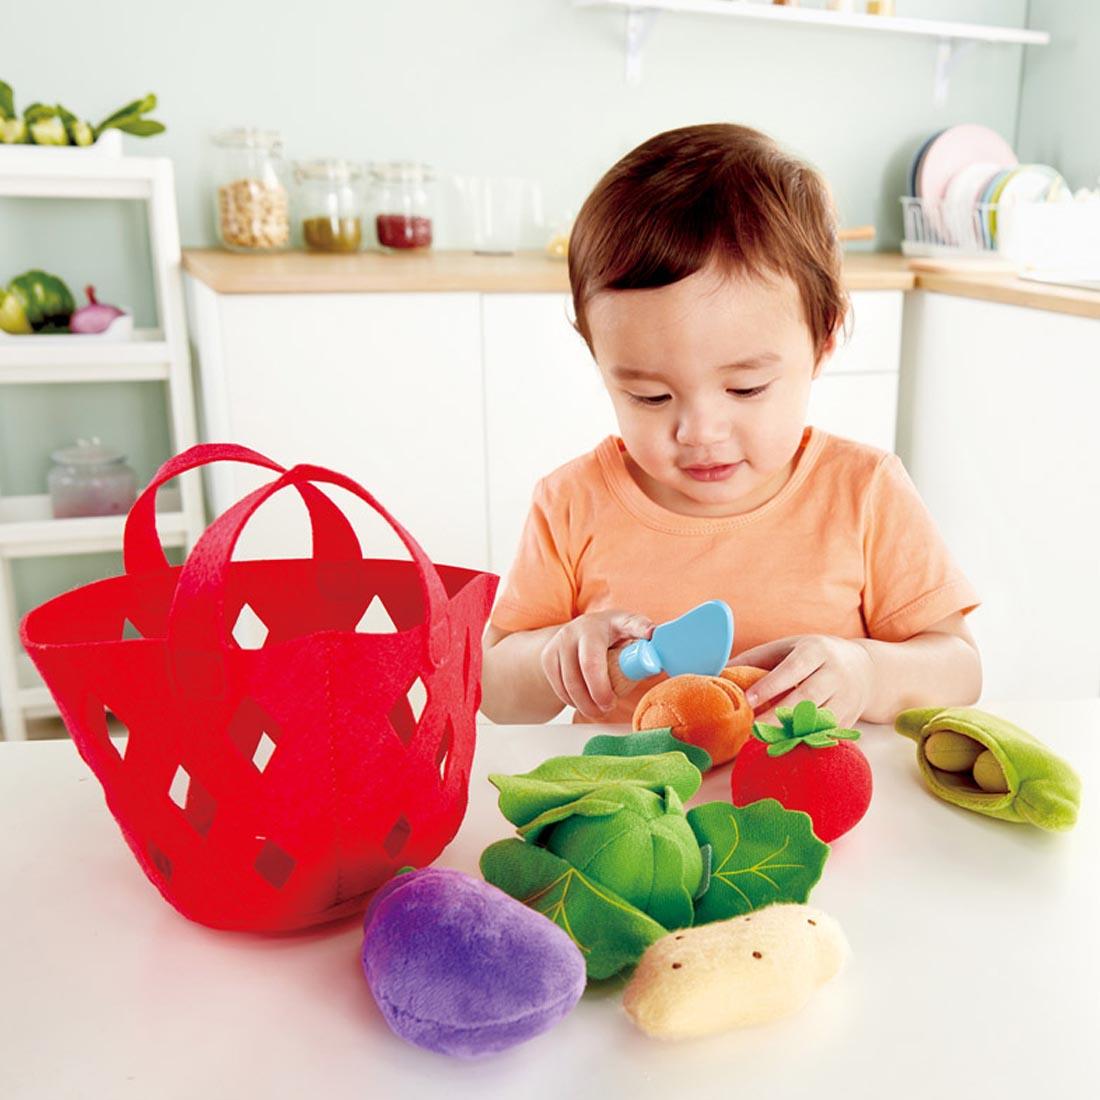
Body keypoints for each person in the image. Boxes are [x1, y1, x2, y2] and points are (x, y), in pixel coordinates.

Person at [480, 122, 981, 729]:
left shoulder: (865, 491)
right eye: (650, 395)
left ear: (823, 342)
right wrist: (556, 658)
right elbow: (497, 693)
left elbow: (959, 669)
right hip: (630, 810)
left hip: (813, 811)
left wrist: (866, 671)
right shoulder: (571, 502)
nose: (698, 431)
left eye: (745, 388)